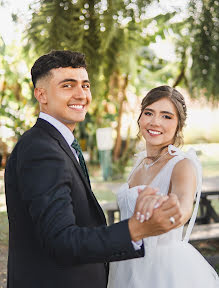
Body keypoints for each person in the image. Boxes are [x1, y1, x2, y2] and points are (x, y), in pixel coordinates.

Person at [4, 51, 182, 288]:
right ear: (41, 94)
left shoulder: (57, 143)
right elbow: (61, 240)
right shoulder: (41, 149)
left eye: (85, 85)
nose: (81, 94)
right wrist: (134, 230)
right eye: (67, 85)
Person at [108, 85, 219, 288]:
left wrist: (173, 208)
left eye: (167, 116)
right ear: (140, 117)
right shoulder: (141, 161)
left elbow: (184, 207)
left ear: (178, 125)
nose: (155, 121)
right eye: (149, 113)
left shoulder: (181, 164)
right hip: (126, 262)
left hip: (161, 269)